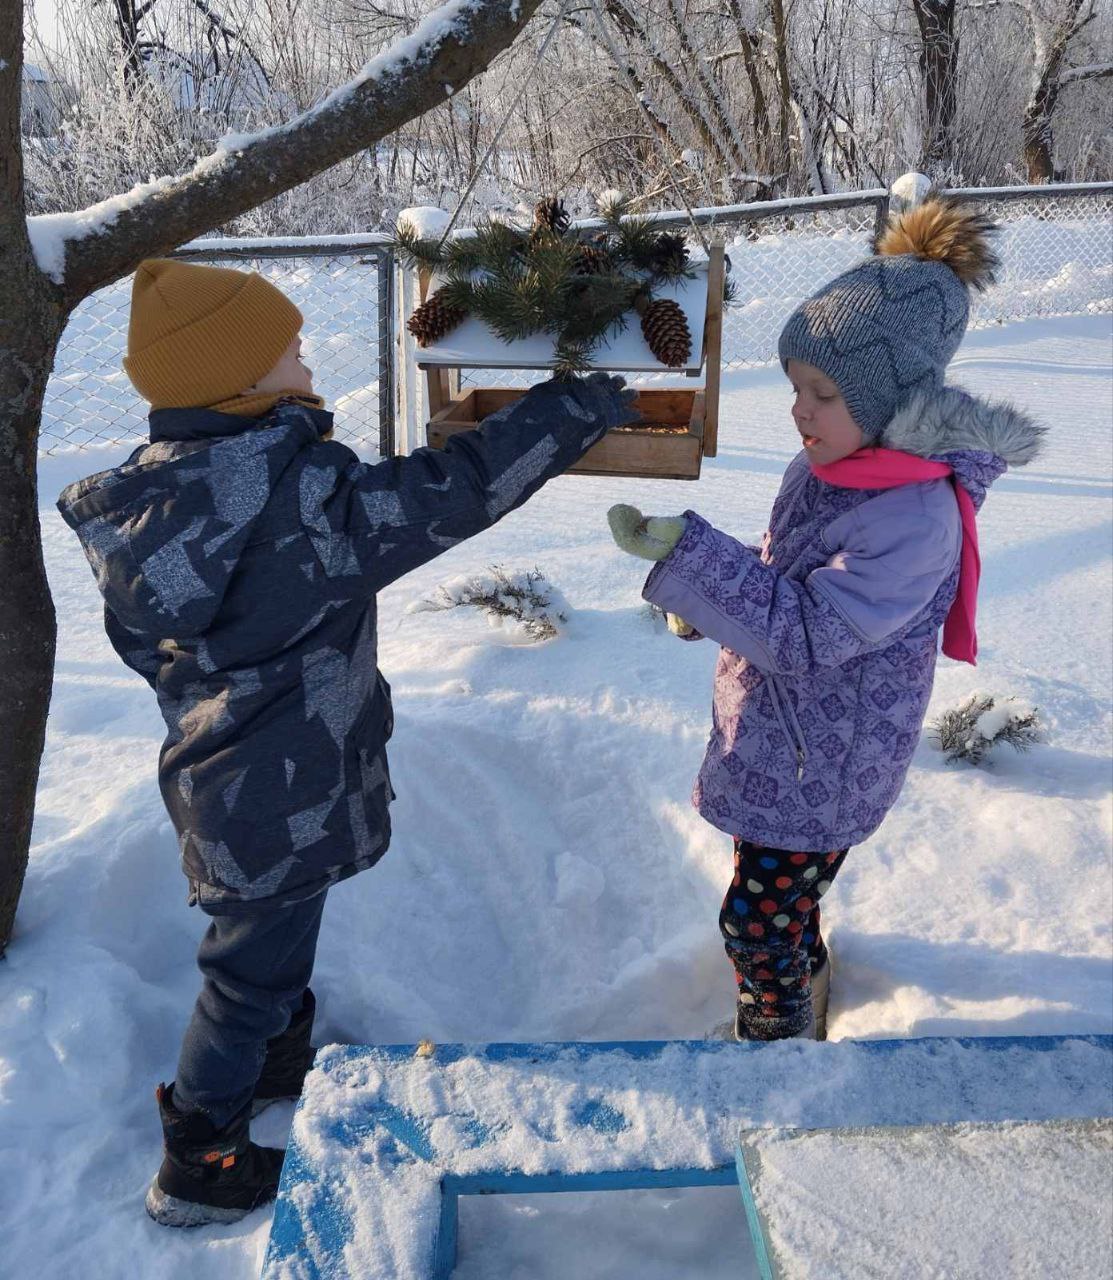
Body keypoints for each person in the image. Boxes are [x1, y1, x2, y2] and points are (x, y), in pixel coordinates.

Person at [57, 258, 638, 1227]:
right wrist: (573, 410)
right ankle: (199, 1153)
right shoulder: (301, 508)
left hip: (220, 787)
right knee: (245, 977)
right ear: (240, 383)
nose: (304, 353)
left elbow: (149, 646)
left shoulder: (156, 514)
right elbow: (456, 490)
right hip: (286, 795)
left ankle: (276, 1065)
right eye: (286, 347)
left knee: (268, 948)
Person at [608, 198, 1043, 1044]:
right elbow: (782, 584)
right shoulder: (834, 465)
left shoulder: (914, 517)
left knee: (752, 922)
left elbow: (805, 633)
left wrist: (696, 568)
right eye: (795, 388)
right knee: (778, 898)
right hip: (789, 738)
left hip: (824, 758)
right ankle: (803, 976)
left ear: (891, 403)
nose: (799, 410)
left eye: (824, 393)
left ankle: (774, 1038)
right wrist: (708, 606)